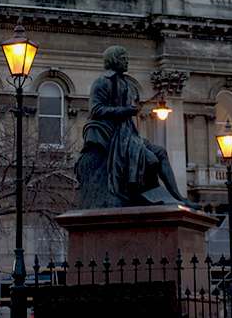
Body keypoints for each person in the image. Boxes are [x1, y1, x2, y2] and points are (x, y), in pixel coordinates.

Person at [76, 46, 189, 208]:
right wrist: (125, 111)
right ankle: (136, 192)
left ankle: (178, 197)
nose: (127, 61)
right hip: (110, 133)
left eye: (127, 57)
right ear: (113, 60)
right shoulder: (102, 82)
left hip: (127, 134)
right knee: (151, 160)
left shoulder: (128, 85)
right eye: (123, 58)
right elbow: (96, 109)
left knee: (161, 152)